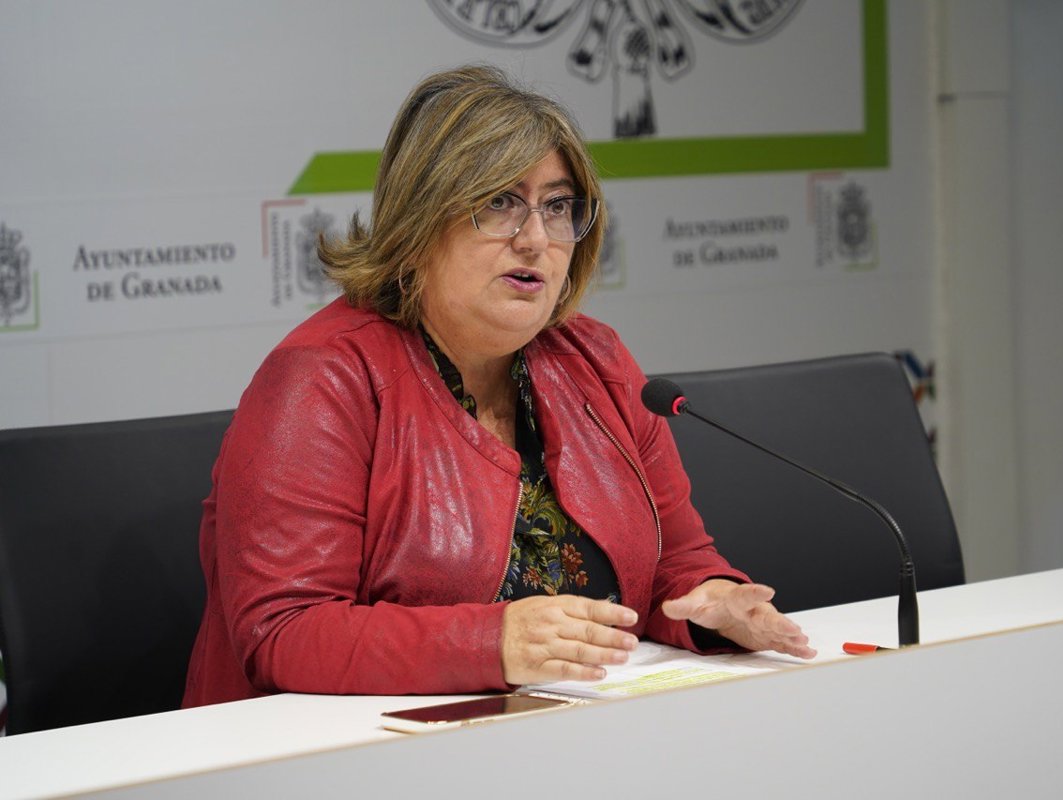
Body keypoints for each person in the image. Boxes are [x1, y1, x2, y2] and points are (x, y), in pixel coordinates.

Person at [182, 64, 815, 707]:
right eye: (500, 203)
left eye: (557, 206)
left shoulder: (596, 361)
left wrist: (712, 602)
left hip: (559, 730)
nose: (536, 239)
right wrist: (492, 642)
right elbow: (284, 631)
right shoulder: (322, 378)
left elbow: (672, 565)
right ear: (419, 218)